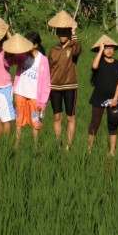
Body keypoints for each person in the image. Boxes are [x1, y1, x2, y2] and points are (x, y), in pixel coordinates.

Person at [47, 11, 81, 149]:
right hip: (54, 87)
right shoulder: (53, 50)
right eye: (59, 33)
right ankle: (58, 143)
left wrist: (74, 32)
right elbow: (49, 68)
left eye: (64, 33)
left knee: (70, 117)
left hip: (70, 86)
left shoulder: (73, 47)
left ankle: (68, 145)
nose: (62, 36)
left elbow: (77, 50)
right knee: (57, 117)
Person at [11, 32, 51, 146]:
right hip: (20, 93)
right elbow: (11, 60)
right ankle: (16, 145)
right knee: (19, 121)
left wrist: (43, 102)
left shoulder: (43, 60)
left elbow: (47, 82)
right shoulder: (22, 56)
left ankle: (35, 145)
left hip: (35, 97)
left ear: (35, 45)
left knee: (36, 121)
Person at [87, 35, 118, 155]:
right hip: (98, 97)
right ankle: (89, 149)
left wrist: (115, 98)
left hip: (113, 99)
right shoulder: (100, 62)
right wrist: (100, 50)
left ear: (114, 49)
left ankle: (112, 150)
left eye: (111, 48)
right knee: (95, 123)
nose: (109, 50)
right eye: (106, 48)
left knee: (113, 123)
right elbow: (94, 66)